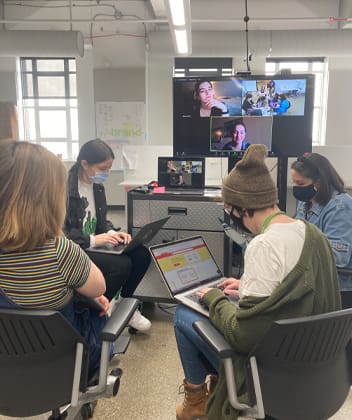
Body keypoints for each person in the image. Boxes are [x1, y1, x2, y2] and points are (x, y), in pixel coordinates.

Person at [174, 144, 341, 420]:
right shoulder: (312, 233)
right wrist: (246, 283)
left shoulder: (263, 245)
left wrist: (215, 299)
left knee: (182, 314)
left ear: (238, 209)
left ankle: (197, 401)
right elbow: (293, 287)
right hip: (319, 369)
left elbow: (242, 335)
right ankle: (208, 391)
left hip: (271, 373)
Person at [0, 139, 110, 376]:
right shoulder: (62, 252)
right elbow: (99, 287)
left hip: (8, 369)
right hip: (64, 365)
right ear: (48, 201)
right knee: (98, 310)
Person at [64, 139, 151, 331]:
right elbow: (63, 235)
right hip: (77, 248)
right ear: (84, 163)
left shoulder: (97, 186)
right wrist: (94, 239)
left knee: (142, 254)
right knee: (122, 265)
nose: (106, 173)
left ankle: (124, 304)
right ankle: (97, 313)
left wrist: (112, 232)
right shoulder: (65, 191)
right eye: (103, 168)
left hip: (94, 242)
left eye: (109, 168)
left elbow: (100, 221)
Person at [291, 153, 352, 307]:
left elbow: (338, 258)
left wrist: (293, 252)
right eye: (294, 183)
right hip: (309, 279)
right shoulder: (305, 201)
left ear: (318, 182)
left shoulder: (340, 206)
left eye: (300, 183)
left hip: (337, 288)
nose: (296, 188)